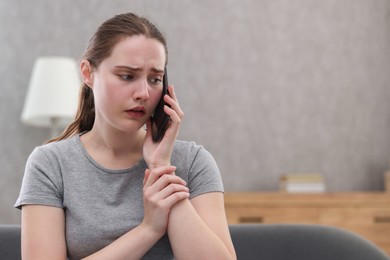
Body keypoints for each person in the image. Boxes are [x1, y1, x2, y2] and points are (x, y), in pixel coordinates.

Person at [15, 12, 236, 260]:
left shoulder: (192, 161)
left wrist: (161, 168)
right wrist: (148, 229)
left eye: (154, 79)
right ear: (88, 74)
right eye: (127, 76)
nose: (143, 92)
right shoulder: (50, 164)